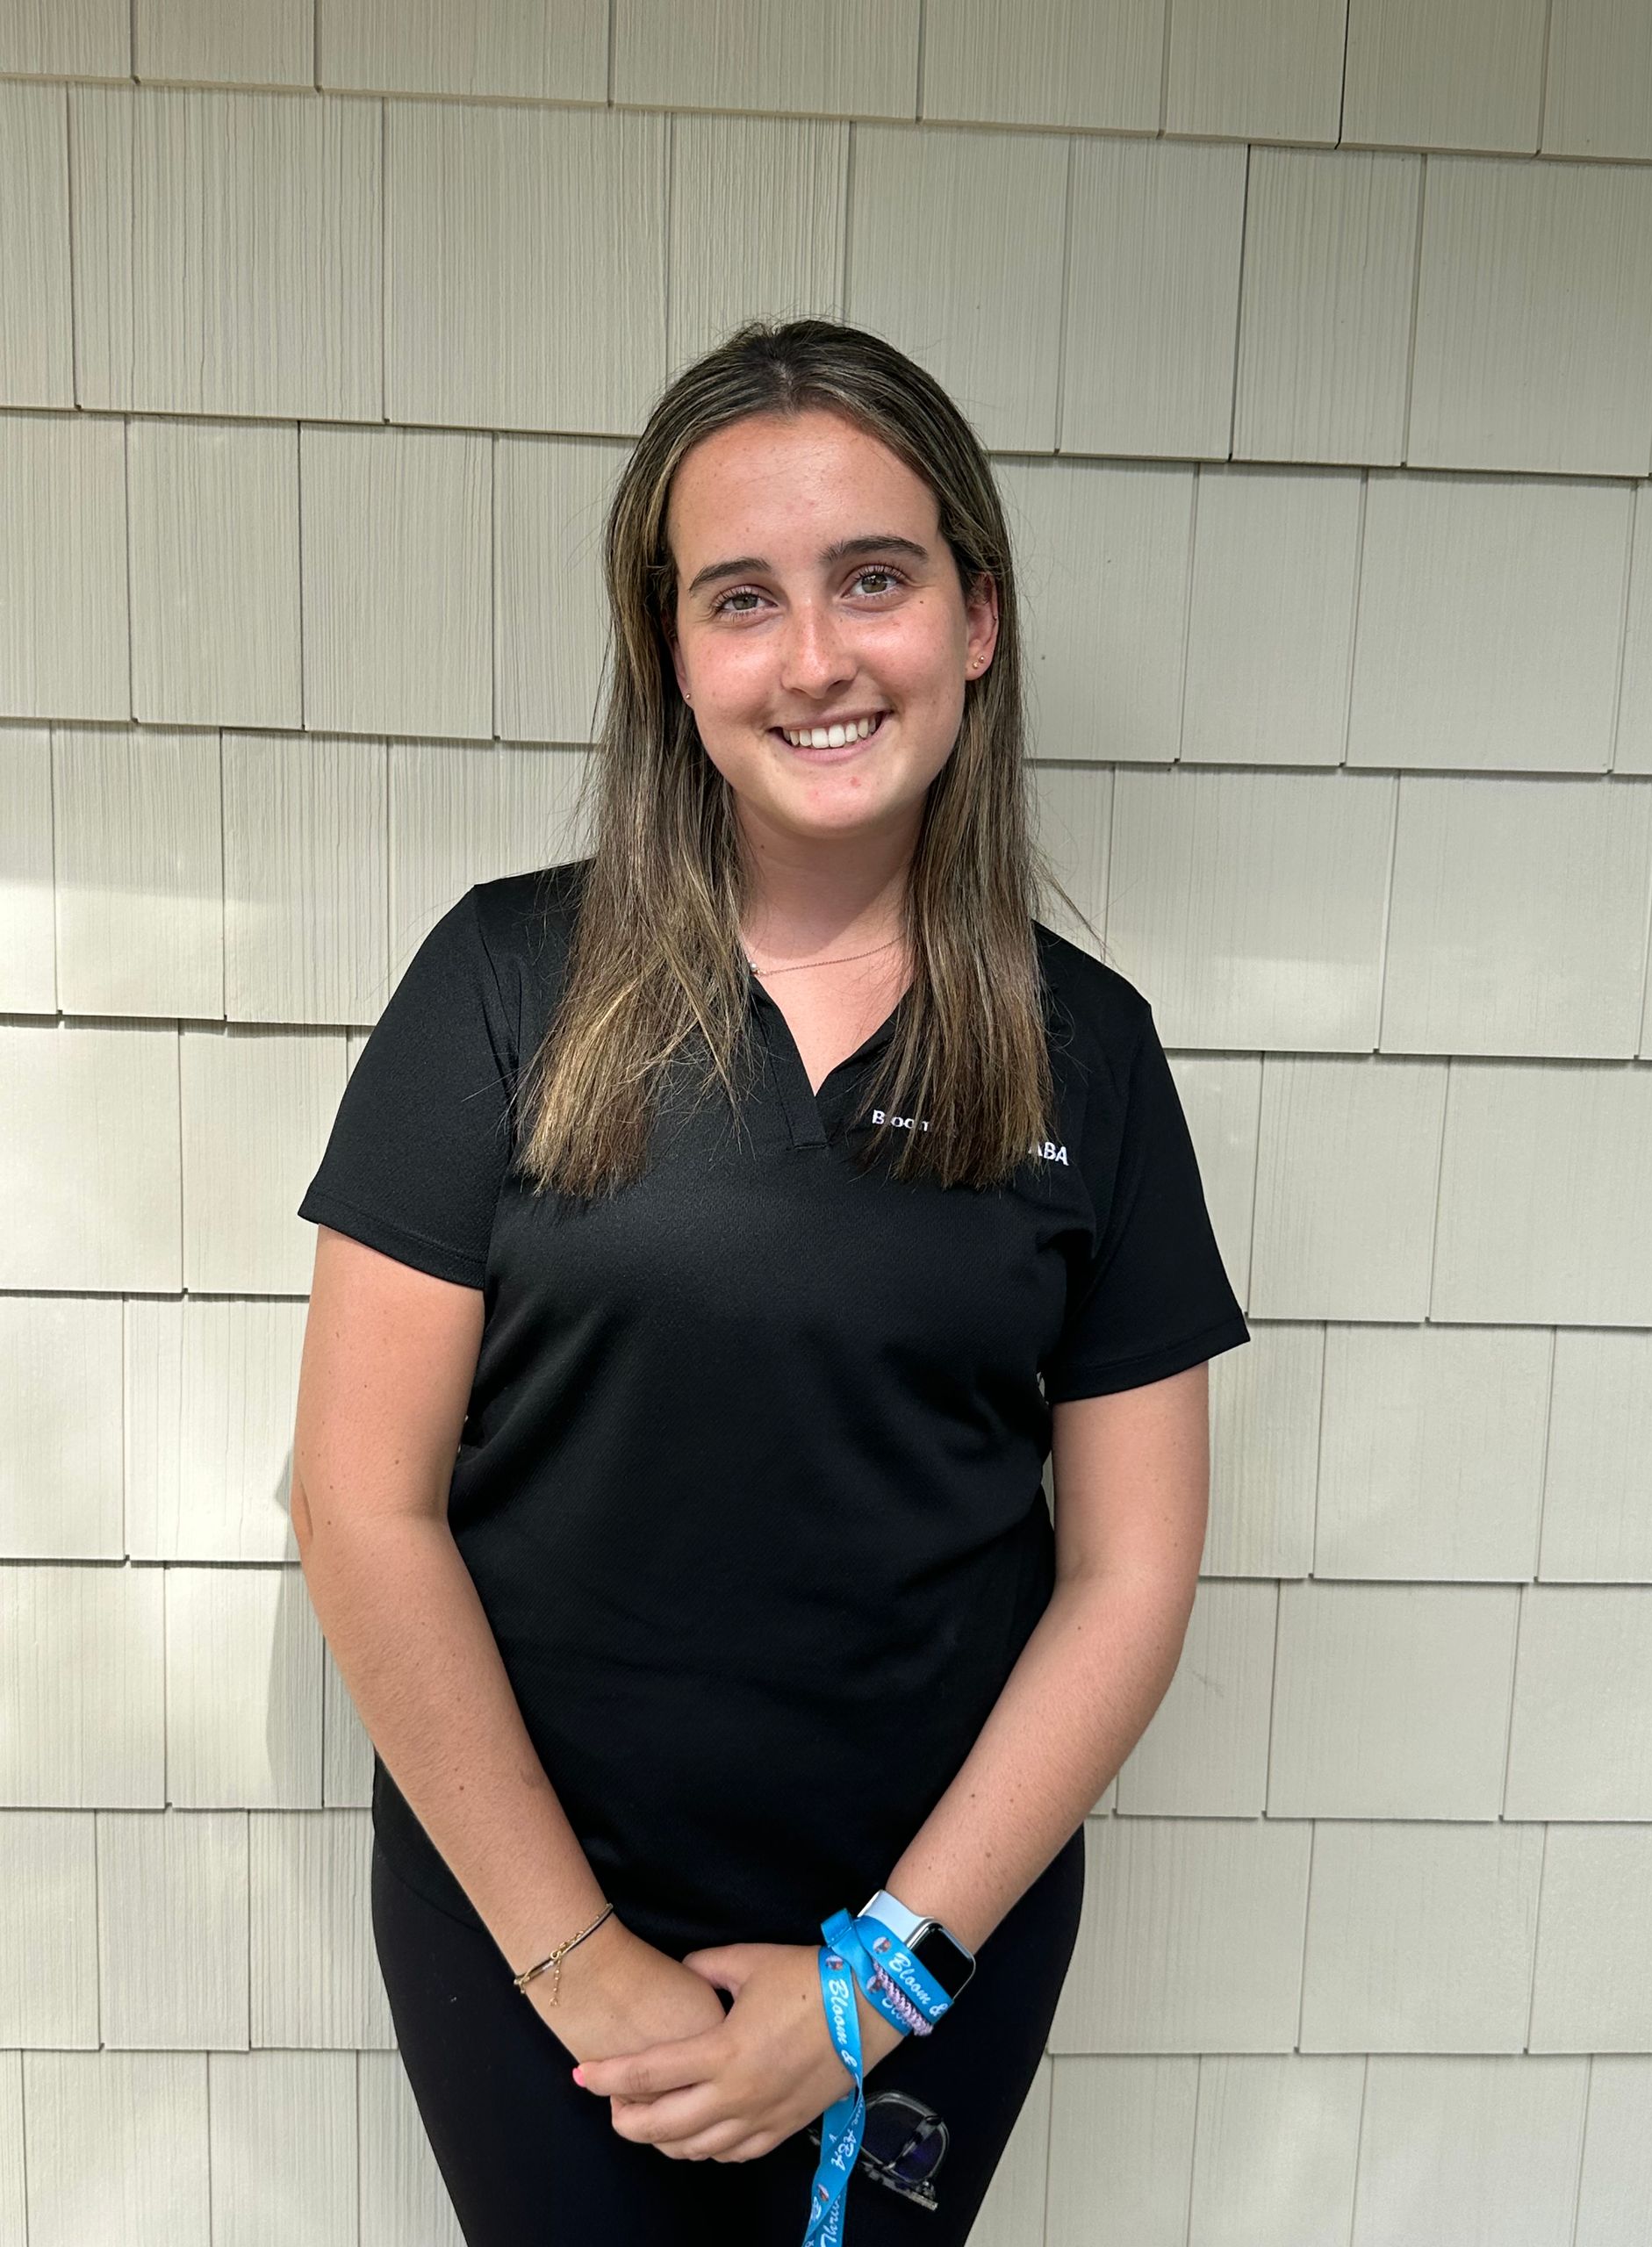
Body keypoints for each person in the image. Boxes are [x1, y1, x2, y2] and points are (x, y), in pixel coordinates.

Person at [289, 314, 1251, 2245]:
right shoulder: (499, 990)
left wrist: (873, 1977)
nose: (815, 654)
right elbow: (359, 1503)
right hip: (541, 1946)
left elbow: (1129, 1570)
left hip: (926, 1942)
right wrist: (584, 1963)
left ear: (976, 616)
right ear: (673, 655)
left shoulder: (1094, 1053)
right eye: (743, 597)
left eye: (872, 578)